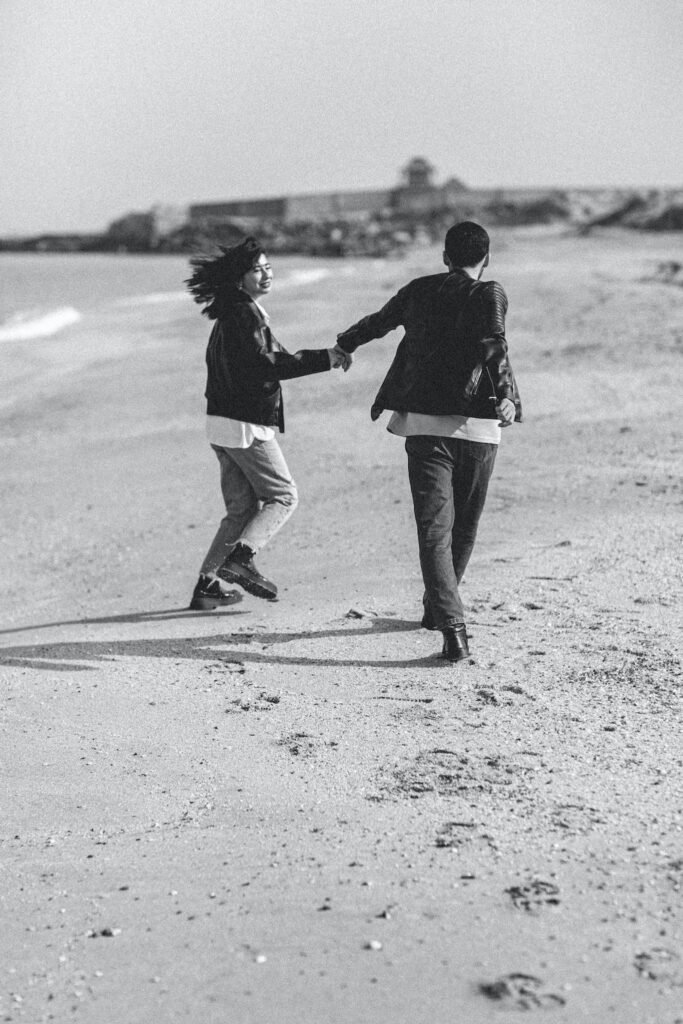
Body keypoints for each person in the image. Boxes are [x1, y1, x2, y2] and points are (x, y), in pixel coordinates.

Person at [334, 221, 522, 663]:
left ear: (445, 257)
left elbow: (377, 324)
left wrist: (345, 344)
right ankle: (447, 615)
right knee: (464, 529)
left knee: (433, 531)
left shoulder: (418, 289)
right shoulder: (489, 292)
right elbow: (495, 346)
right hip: (477, 427)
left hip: (421, 425)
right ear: (487, 258)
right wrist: (508, 397)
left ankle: (444, 616)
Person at [186, 236, 350, 609]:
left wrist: (321, 357)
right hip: (244, 425)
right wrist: (326, 358)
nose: (265, 274)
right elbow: (268, 365)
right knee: (283, 495)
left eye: (267, 266)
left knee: (241, 510)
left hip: (220, 423)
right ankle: (241, 560)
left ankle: (207, 587)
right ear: (239, 278)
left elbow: (265, 360)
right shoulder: (244, 314)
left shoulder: (234, 312)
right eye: (256, 269)